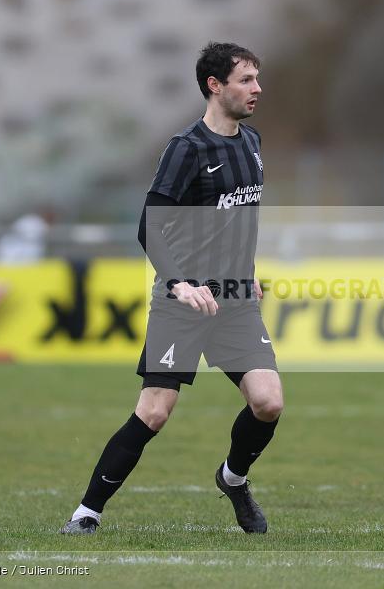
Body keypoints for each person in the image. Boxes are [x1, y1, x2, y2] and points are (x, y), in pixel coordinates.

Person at [61, 42, 281, 535]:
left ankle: (233, 479)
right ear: (214, 85)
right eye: (246, 79)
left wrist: (245, 270)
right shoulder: (186, 150)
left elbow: (235, 219)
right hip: (182, 303)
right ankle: (87, 513)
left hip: (235, 301)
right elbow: (150, 228)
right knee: (155, 412)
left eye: (257, 78)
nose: (257, 88)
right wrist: (181, 284)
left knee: (268, 402)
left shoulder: (252, 142)